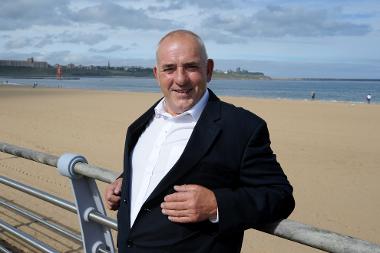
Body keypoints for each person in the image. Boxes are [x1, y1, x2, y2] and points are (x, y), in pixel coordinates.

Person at [104, 30, 295, 253]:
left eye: (191, 67)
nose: (180, 79)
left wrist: (216, 205)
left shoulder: (242, 127)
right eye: (169, 69)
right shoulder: (141, 123)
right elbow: (158, 169)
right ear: (157, 74)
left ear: (209, 69)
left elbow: (280, 196)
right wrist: (126, 182)